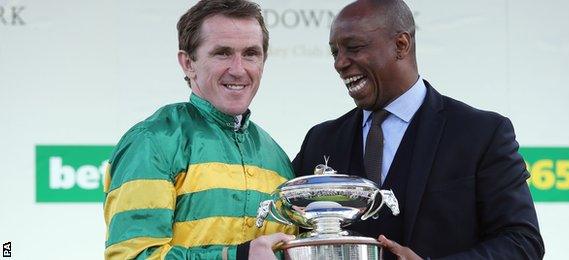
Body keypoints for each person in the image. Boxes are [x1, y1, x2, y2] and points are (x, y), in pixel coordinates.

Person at [292, 0, 545, 259]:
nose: (340, 63)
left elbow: (522, 243)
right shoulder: (321, 141)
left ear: (401, 45)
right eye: (335, 53)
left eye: (353, 48)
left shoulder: (482, 134)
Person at [103, 0, 295, 259]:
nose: (238, 69)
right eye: (222, 53)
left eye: (250, 53)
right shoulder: (153, 141)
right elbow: (132, 255)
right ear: (188, 63)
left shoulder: (276, 157)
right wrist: (233, 256)